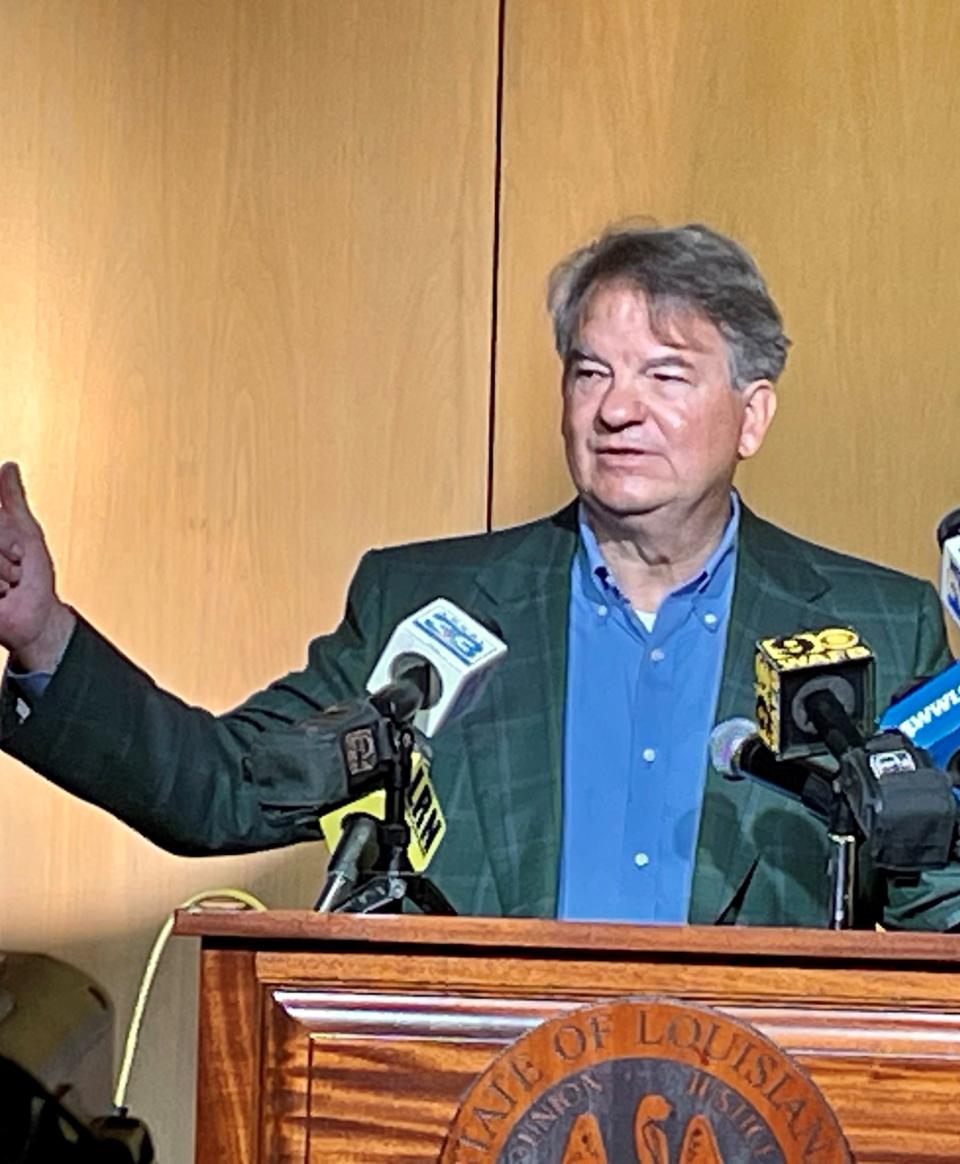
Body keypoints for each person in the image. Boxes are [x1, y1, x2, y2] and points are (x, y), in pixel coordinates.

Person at [0, 223, 955, 929]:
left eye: (665, 376)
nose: (618, 408)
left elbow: (939, 913)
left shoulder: (881, 624)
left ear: (752, 417)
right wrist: (43, 634)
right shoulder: (431, 609)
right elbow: (223, 787)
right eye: (590, 374)